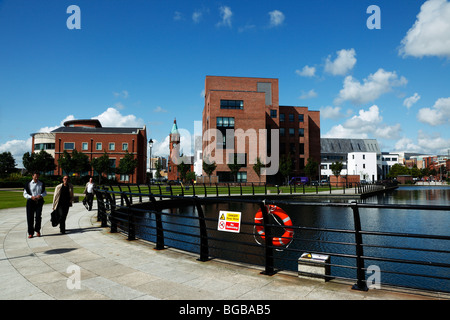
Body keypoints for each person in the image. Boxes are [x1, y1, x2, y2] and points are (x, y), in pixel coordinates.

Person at [23, 171, 47, 238]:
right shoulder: (28, 184)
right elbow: (25, 194)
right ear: (32, 176)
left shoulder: (41, 183)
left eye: (37, 176)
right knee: (30, 217)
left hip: (39, 202)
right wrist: (31, 197)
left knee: (38, 216)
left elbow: (45, 193)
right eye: (35, 176)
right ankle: (31, 232)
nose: (36, 178)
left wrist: (41, 195)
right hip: (31, 202)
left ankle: (38, 231)